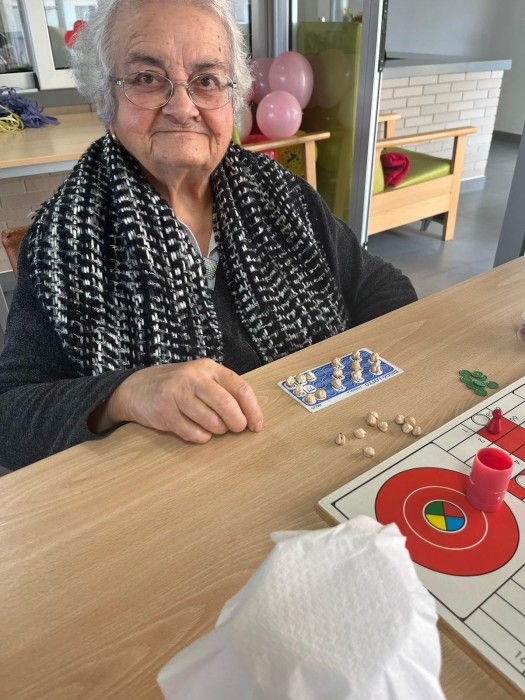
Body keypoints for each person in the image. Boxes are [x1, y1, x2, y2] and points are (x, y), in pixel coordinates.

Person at [0, 0, 417, 471]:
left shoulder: (281, 195)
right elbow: (10, 416)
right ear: (106, 99)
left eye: (206, 80)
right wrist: (123, 393)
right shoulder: (65, 240)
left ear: (232, 98)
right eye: (147, 78)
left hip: (324, 454)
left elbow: (382, 287)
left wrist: (367, 391)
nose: (182, 108)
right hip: (177, 491)